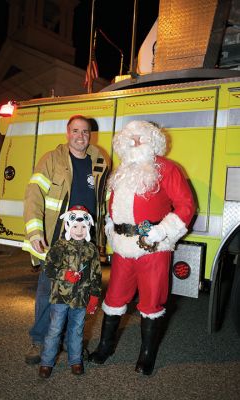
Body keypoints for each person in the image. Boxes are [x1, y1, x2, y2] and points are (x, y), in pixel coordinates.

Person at [89, 120, 196, 375]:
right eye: (131, 138)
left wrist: (163, 231)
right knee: (114, 298)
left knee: (151, 302)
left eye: (141, 138)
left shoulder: (167, 169)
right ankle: (105, 346)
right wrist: (110, 226)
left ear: (153, 140)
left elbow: (186, 206)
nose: (135, 142)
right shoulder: (123, 170)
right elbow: (114, 205)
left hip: (153, 247)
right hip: (123, 248)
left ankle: (147, 355)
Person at [23, 114, 109, 364]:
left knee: (79, 295)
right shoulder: (52, 159)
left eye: (85, 132)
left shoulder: (100, 161)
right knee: (46, 292)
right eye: (76, 131)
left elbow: (104, 200)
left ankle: (72, 343)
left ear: (90, 135)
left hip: (85, 244)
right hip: (57, 242)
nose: (80, 136)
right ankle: (39, 342)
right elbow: (34, 194)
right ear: (67, 132)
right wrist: (35, 232)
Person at [38, 205, 101, 378]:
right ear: (68, 226)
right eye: (75, 227)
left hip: (81, 299)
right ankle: (46, 362)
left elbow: (96, 274)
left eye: (83, 227)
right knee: (55, 329)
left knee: (77, 330)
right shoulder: (59, 246)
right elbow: (49, 269)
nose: (79, 231)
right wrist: (65, 274)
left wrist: (95, 296)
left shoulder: (92, 249)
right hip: (60, 297)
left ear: (88, 227)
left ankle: (75, 360)